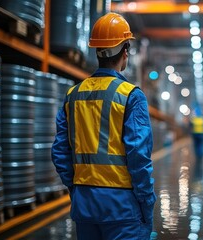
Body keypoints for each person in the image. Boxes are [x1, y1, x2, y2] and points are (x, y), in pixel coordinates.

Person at [51, 13, 156, 240]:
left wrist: (77, 188)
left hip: (84, 205)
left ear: (96, 50)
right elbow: (139, 157)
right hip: (122, 209)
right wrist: (147, 204)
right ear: (125, 51)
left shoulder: (73, 95)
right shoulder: (131, 96)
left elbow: (60, 152)